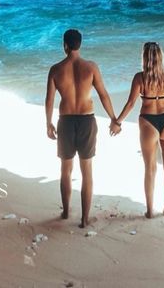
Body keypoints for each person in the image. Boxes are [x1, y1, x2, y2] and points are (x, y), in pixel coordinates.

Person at [46, 28, 120, 228]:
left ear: (65, 45)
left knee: (65, 170)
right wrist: (114, 119)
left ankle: (66, 211)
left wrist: (48, 123)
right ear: (80, 45)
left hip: (66, 121)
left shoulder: (56, 69)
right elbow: (104, 95)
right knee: (87, 171)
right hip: (87, 120)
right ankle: (85, 218)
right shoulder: (91, 67)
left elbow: (50, 99)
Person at [111, 42, 164, 218]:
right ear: (161, 56)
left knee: (150, 169)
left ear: (144, 57)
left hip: (148, 121)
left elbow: (131, 103)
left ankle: (150, 210)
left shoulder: (139, 78)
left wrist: (117, 122)